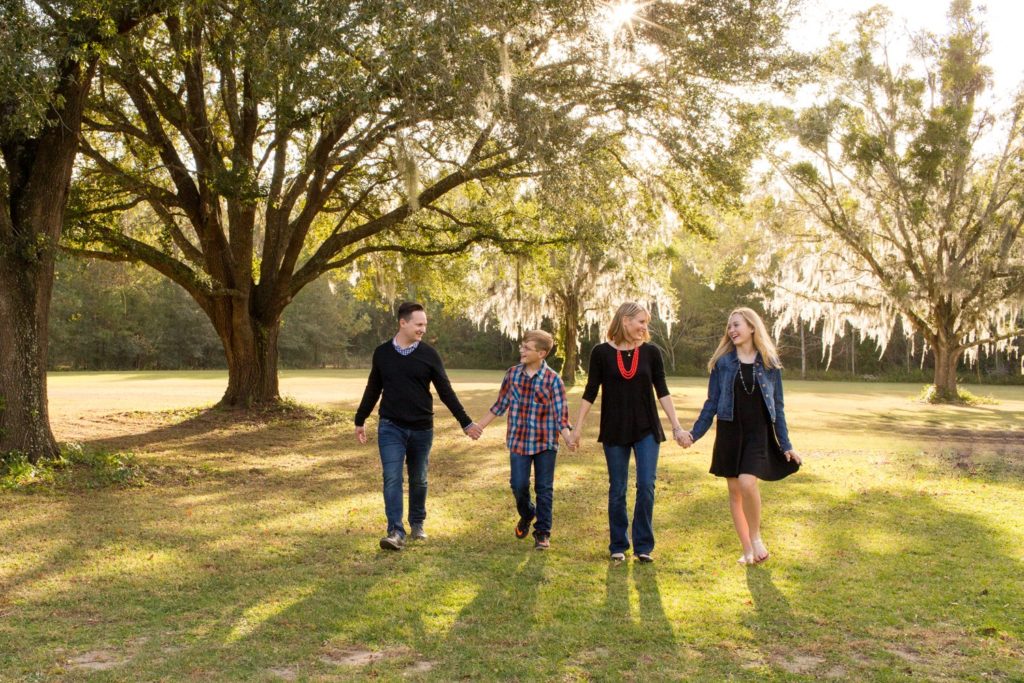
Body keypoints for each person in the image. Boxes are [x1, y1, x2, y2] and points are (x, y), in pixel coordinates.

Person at [355, 302, 482, 551]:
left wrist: (466, 422)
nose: (423, 329)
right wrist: (360, 419)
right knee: (392, 477)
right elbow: (373, 388)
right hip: (391, 425)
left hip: (422, 428)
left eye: (425, 324)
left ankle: (417, 523)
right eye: (419, 324)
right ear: (403, 323)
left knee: (419, 479)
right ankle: (395, 531)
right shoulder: (382, 353)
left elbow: (445, 391)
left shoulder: (429, 354)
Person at [683, 307, 802, 565]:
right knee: (735, 492)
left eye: (736, 325)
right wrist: (694, 434)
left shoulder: (770, 364)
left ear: (751, 327)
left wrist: (786, 445)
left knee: (748, 483)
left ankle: (756, 537)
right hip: (730, 432)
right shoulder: (723, 363)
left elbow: (778, 408)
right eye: (729, 327)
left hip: (758, 433)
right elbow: (711, 403)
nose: (732, 330)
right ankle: (748, 549)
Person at [570, 302, 688, 563]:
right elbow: (590, 391)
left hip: (647, 428)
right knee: (618, 488)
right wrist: (577, 427)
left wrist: (676, 425)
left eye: (646, 323)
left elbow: (663, 390)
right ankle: (618, 545)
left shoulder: (651, 353)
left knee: (646, 485)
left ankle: (643, 545)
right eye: (641, 322)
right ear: (625, 321)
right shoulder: (600, 353)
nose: (644, 327)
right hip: (614, 430)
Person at [477, 330, 576, 550]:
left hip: (545, 442)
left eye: (527, 348)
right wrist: (479, 427)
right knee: (518, 485)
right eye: (522, 346)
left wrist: (568, 438)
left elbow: (562, 417)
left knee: (544, 488)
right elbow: (499, 405)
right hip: (519, 441)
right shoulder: (512, 374)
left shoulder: (553, 380)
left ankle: (542, 533)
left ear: (541, 353)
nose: (521, 350)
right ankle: (528, 513)